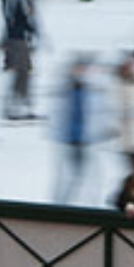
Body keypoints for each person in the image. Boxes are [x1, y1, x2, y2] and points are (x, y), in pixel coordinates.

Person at [54, 57, 101, 204]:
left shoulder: (81, 89)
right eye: (80, 69)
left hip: (80, 139)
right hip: (75, 140)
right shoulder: (72, 91)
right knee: (75, 174)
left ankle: (68, 202)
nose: (83, 72)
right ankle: (64, 204)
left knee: (80, 174)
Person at [1, 0, 41, 121]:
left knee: (24, 73)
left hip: (21, 39)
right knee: (22, 73)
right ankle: (15, 106)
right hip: (18, 39)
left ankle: (21, 105)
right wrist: (31, 31)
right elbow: (16, 19)